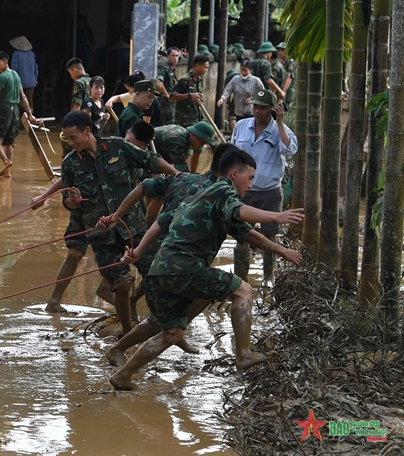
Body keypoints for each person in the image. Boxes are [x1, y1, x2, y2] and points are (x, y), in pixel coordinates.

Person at [107, 149, 304, 390]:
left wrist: (138, 251)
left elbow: (163, 221)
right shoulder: (224, 191)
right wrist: (277, 216)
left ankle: (122, 375)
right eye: (250, 178)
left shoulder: (202, 195)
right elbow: (239, 212)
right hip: (184, 267)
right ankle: (243, 354)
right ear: (234, 174)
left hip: (160, 269)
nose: (251, 185)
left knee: (171, 332)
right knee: (242, 290)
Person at [99, 143, 242, 364]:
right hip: (175, 262)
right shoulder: (219, 195)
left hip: (167, 260)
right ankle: (128, 348)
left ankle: (169, 333)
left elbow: (144, 187)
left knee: (179, 309)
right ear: (233, 170)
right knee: (163, 320)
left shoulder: (182, 178)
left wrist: (117, 215)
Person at [60, 111, 177, 334]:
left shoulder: (117, 147)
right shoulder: (70, 163)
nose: (71, 143)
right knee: (122, 284)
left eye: (74, 137)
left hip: (134, 228)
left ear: (87, 130)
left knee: (155, 274)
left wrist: (179, 177)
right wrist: (73, 200)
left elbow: (152, 161)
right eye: (68, 139)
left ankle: (164, 326)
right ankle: (127, 331)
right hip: (101, 236)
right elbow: (68, 203)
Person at [34, 121, 156, 314]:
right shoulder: (109, 145)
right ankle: (54, 301)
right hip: (86, 210)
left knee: (122, 257)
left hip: (114, 215)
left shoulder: (131, 158)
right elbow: (68, 178)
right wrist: (44, 197)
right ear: (126, 133)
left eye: (137, 145)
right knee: (75, 253)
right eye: (130, 140)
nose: (131, 144)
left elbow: (138, 189)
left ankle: (116, 296)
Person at [230, 89, 298, 281]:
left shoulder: (280, 130)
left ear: (272, 109)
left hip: (270, 193)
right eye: (255, 106)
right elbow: (232, 155)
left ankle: (269, 279)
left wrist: (280, 122)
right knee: (242, 237)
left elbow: (290, 150)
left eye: (262, 107)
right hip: (244, 193)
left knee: (270, 237)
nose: (257, 110)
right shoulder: (242, 126)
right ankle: (240, 281)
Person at [169, 54, 210, 171]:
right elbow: (172, 96)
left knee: (198, 150)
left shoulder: (199, 80)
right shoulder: (184, 80)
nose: (206, 70)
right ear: (197, 66)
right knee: (186, 151)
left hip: (197, 119)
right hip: (185, 121)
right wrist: (189, 95)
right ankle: (178, 173)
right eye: (205, 67)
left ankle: (193, 174)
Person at [216, 62, 266, 133]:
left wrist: (252, 99)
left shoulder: (256, 81)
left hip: (251, 112)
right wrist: (222, 98)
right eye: (241, 70)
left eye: (245, 70)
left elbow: (262, 93)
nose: (243, 72)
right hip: (238, 112)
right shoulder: (235, 80)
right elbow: (228, 89)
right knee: (240, 131)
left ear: (250, 70)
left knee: (249, 130)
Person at [152, 121, 217, 172]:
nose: (201, 146)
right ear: (194, 135)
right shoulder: (177, 142)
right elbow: (182, 174)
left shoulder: (184, 133)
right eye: (201, 142)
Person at [9, 36, 39, 111]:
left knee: (17, 101)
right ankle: (30, 118)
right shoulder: (32, 54)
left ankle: (17, 119)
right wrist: (35, 78)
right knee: (29, 101)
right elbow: (36, 67)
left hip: (19, 81)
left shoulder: (16, 54)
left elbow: (14, 68)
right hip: (31, 81)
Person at [157, 48, 180, 125]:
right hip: (165, 101)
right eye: (173, 56)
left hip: (171, 100)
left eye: (177, 56)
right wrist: (166, 95)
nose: (175, 58)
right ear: (168, 56)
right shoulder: (166, 68)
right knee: (164, 121)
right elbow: (160, 81)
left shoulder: (172, 68)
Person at [277, 42, 296, 107]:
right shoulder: (282, 62)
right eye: (279, 50)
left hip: (288, 92)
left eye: (282, 50)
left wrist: (283, 92)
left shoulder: (290, 62)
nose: (280, 52)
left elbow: (289, 77)